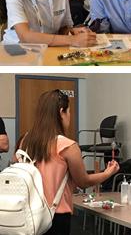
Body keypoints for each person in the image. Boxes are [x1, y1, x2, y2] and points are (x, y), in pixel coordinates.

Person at [14, 89, 120, 235]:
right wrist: (108, 172)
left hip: (27, 213)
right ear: (61, 111)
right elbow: (83, 181)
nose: (69, 116)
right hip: (55, 216)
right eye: (68, 112)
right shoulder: (67, 145)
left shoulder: (25, 140)